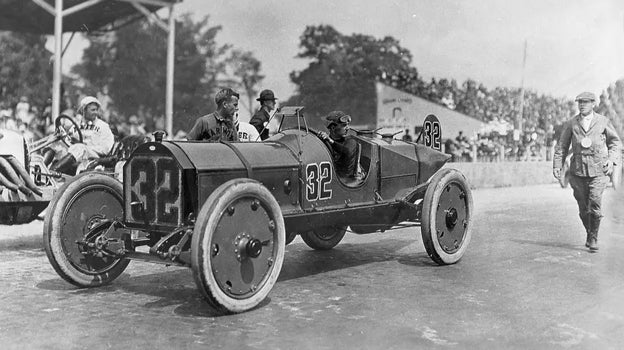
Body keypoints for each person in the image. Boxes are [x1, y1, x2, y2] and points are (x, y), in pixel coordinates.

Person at [553, 91, 622, 251]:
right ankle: (590, 232)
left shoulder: (603, 121)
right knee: (583, 208)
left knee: (595, 204)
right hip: (577, 172)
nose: (582, 105)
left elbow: (615, 143)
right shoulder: (572, 123)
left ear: (593, 104)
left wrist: (611, 160)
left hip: (598, 171)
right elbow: (562, 146)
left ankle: (593, 237)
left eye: (586, 102)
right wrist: (557, 165)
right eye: (580, 102)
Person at [51, 96, 115, 175]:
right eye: (92, 110)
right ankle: (44, 170)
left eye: (96, 110)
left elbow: (106, 148)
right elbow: (70, 141)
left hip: (94, 157)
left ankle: (53, 172)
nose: (95, 112)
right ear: (83, 110)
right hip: (78, 155)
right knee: (56, 144)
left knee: (80, 148)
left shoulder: (103, 126)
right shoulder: (77, 125)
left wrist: (86, 147)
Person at [318, 111, 359, 179]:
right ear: (333, 128)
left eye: (347, 125)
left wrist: (330, 141)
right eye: (344, 125)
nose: (348, 128)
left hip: (346, 182)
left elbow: (347, 151)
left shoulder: (350, 142)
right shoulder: (325, 142)